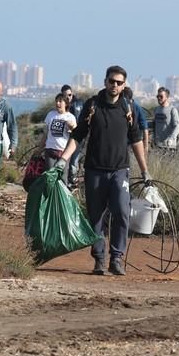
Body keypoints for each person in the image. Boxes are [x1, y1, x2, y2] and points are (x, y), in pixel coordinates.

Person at [56, 65, 151, 276]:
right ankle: (99, 259)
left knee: (122, 212)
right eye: (111, 81)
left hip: (119, 170)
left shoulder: (129, 108)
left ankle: (116, 258)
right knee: (96, 217)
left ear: (124, 84)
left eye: (119, 82)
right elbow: (78, 136)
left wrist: (145, 171)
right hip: (95, 171)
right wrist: (63, 160)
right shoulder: (93, 105)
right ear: (105, 81)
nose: (114, 85)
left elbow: (136, 141)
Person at [38, 93, 77, 184]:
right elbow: (46, 133)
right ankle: (49, 197)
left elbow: (75, 134)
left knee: (62, 179)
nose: (58, 103)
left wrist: (71, 126)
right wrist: (40, 148)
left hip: (63, 153)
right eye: (56, 101)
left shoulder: (70, 117)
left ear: (66, 103)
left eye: (60, 101)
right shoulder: (51, 114)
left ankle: (62, 197)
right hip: (50, 151)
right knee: (49, 178)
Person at [61, 85, 85, 189]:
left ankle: (72, 181)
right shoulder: (62, 105)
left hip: (78, 137)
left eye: (70, 95)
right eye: (65, 96)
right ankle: (65, 181)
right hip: (65, 137)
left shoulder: (80, 103)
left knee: (74, 161)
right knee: (65, 159)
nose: (68, 97)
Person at [153, 87, 179, 151]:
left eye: (161, 96)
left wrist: (171, 138)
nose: (159, 98)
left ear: (167, 97)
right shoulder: (156, 109)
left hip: (169, 146)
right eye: (158, 96)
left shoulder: (172, 110)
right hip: (158, 145)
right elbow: (154, 124)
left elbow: (177, 126)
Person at [124, 87, 149, 151]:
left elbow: (145, 129)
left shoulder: (137, 108)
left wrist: (145, 148)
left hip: (133, 143)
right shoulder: (121, 107)